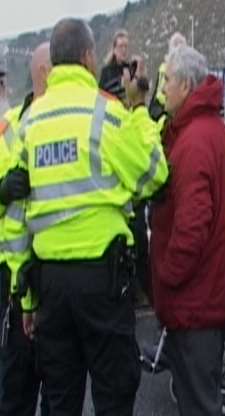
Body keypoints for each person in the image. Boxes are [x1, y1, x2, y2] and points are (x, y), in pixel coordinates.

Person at [16, 18, 168, 415]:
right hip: (103, 282)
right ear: (87, 57)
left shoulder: (29, 124)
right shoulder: (108, 114)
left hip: (49, 284)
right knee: (113, 395)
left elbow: (18, 217)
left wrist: (27, 298)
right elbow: (154, 173)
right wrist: (138, 109)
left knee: (61, 398)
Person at [149, 44, 225, 416]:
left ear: (186, 86)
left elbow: (193, 223)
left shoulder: (194, 141)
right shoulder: (207, 130)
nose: (163, 88)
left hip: (195, 302)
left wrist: (166, 275)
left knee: (199, 404)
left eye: (167, 80)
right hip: (205, 298)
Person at [0, 42, 51, 416]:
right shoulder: (12, 124)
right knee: (16, 384)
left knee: (55, 384)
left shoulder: (13, 124)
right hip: (13, 274)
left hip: (53, 271)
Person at [149, 32, 187, 122]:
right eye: (175, 45)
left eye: (180, 46)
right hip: (159, 108)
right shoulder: (163, 67)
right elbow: (156, 91)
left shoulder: (185, 70)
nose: (177, 49)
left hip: (174, 108)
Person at [99, 29, 130, 101]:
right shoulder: (106, 71)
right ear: (114, 49)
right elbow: (101, 94)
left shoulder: (129, 69)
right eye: (121, 46)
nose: (124, 50)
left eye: (126, 46)